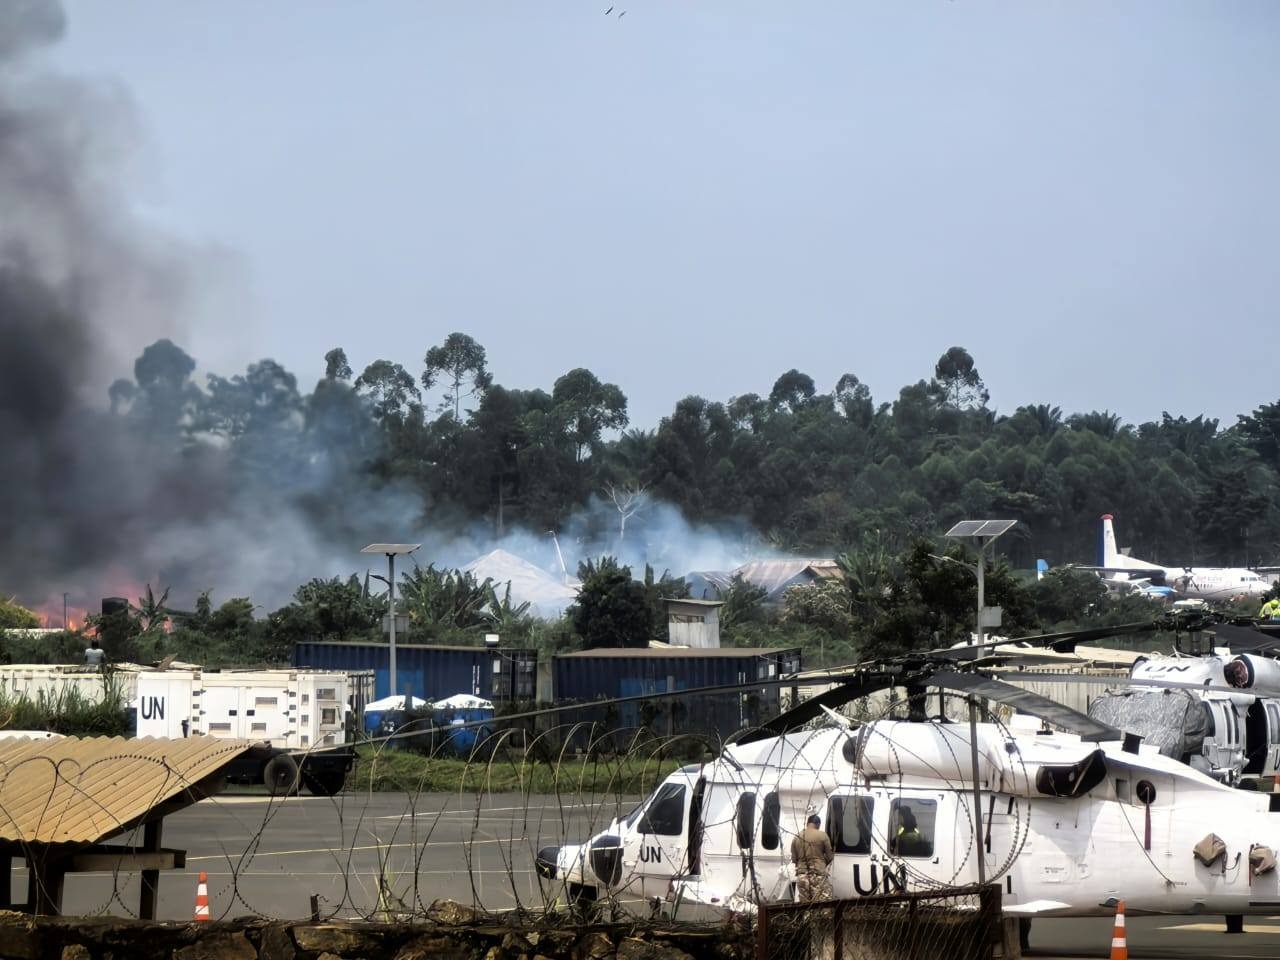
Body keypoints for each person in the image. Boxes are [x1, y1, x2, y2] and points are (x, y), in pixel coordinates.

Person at [790, 813, 834, 901]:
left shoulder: (797, 837)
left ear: (807, 823)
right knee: (824, 904)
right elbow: (830, 857)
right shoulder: (822, 835)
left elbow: (794, 859)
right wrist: (822, 862)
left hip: (802, 876)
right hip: (818, 875)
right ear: (818, 824)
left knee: (805, 905)